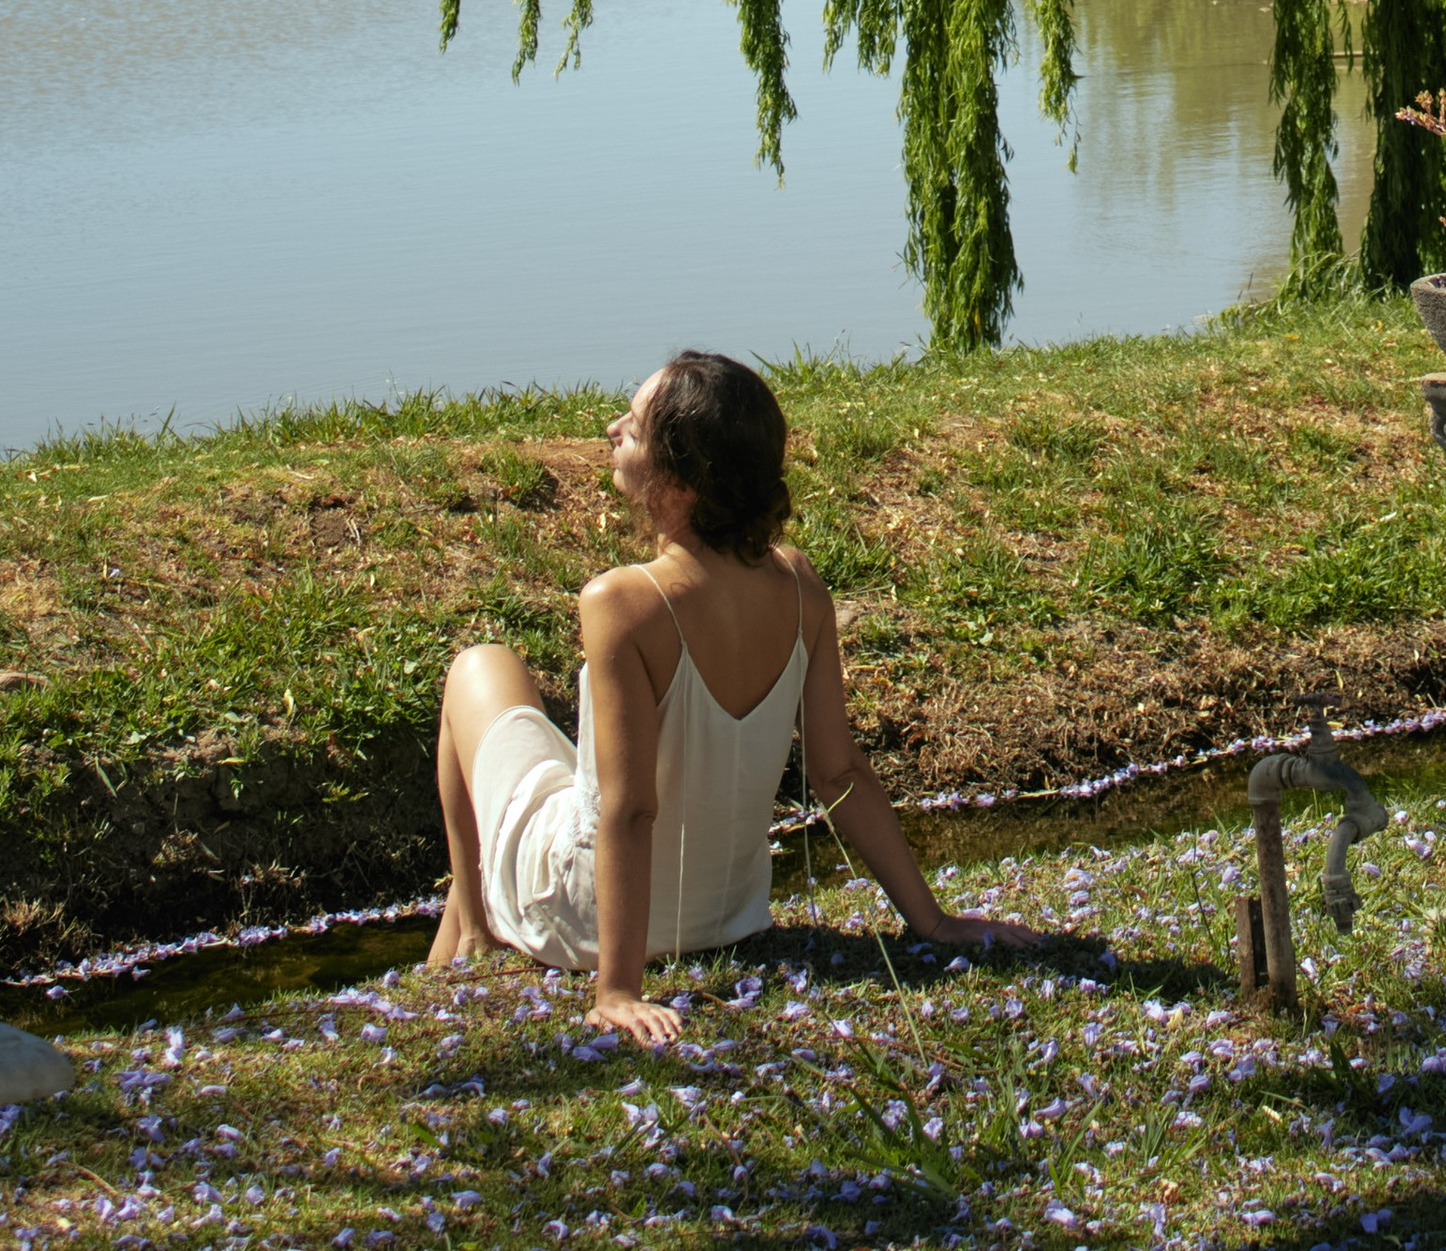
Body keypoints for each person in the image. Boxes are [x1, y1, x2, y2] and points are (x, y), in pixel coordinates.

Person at [427, 348, 1045, 1045]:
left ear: (682, 478)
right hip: (729, 916)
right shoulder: (800, 586)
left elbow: (628, 811)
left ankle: (475, 920)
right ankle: (469, 919)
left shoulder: (623, 602)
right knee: (547, 764)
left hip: (586, 918)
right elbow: (839, 773)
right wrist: (930, 921)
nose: (610, 430)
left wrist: (619, 989)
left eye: (630, 428)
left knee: (479, 665)